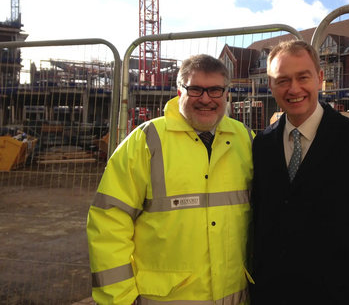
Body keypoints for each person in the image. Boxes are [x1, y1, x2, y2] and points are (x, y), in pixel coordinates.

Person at [87, 54, 254, 305]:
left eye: (215, 90)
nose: (206, 98)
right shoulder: (146, 141)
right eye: (195, 89)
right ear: (179, 92)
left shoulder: (246, 139)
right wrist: (118, 300)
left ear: (226, 94)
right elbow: (109, 222)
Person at [250, 40, 349, 304]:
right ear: (270, 85)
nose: (294, 89)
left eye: (302, 77)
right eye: (282, 80)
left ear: (319, 78)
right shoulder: (262, 144)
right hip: (271, 294)